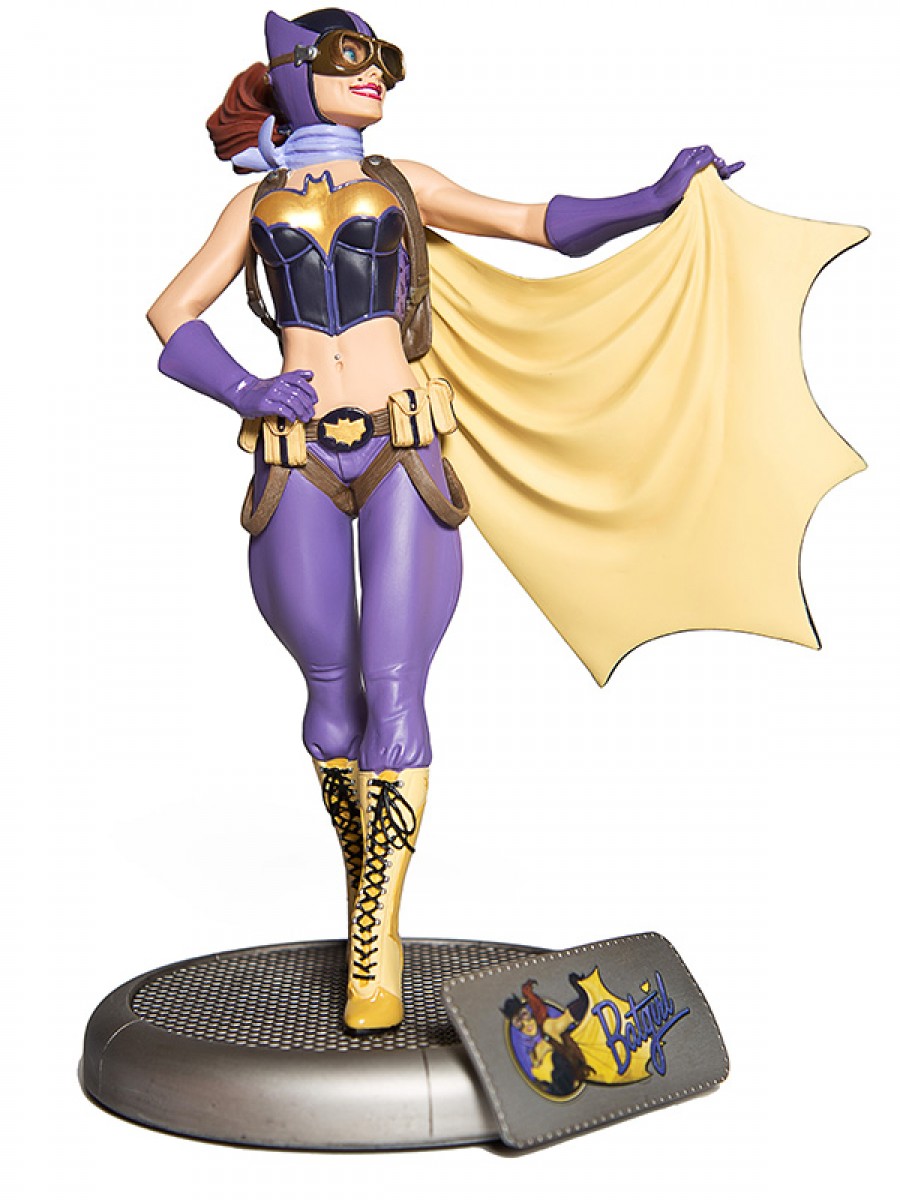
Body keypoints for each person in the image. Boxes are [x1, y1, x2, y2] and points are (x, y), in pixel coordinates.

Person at [147, 8, 742, 1032]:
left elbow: (532, 222)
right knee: (329, 695)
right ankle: (363, 897)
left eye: (383, 60)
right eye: (349, 57)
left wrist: (651, 200)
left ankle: (374, 938)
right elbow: (169, 313)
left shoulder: (401, 183)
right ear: (291, 73)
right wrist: (245, 388)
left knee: (393, 684)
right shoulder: (256, 201)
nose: (374, 74)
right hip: (293, 457)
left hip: (402, 449)